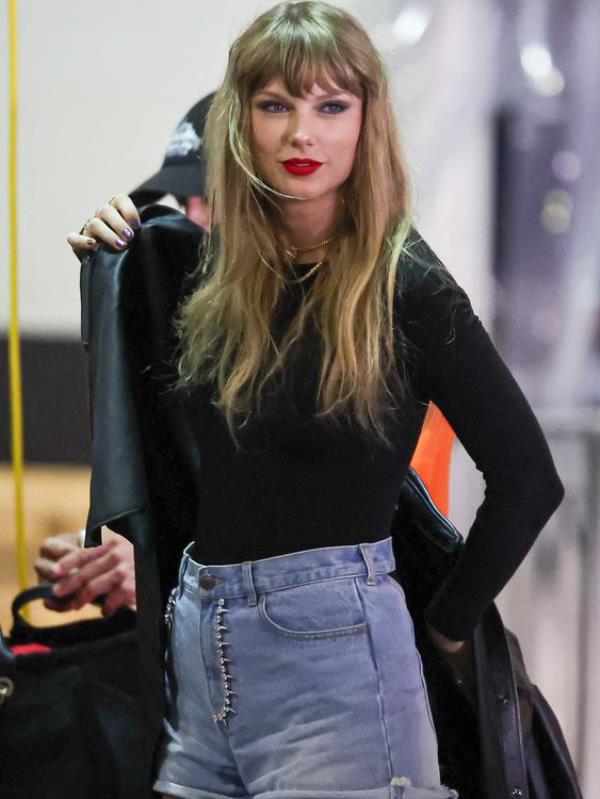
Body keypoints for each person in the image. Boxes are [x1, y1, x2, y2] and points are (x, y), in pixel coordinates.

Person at [67, 2, 565, 797]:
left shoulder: (406, 287)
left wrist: (443, 622)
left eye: (332, 106)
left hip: (337, 665)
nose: (303, 133)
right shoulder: (216, 280)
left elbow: (529, 480)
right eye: (276, 105)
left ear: (367, 121)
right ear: (241, 122)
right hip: (203, 652)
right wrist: (113, 260)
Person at [36, 93, 217, 615]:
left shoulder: (326, 336)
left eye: (210, 197)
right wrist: (111, 557)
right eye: (184, 205)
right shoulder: (177, 339)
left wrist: (160, 570)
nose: (192, 219)